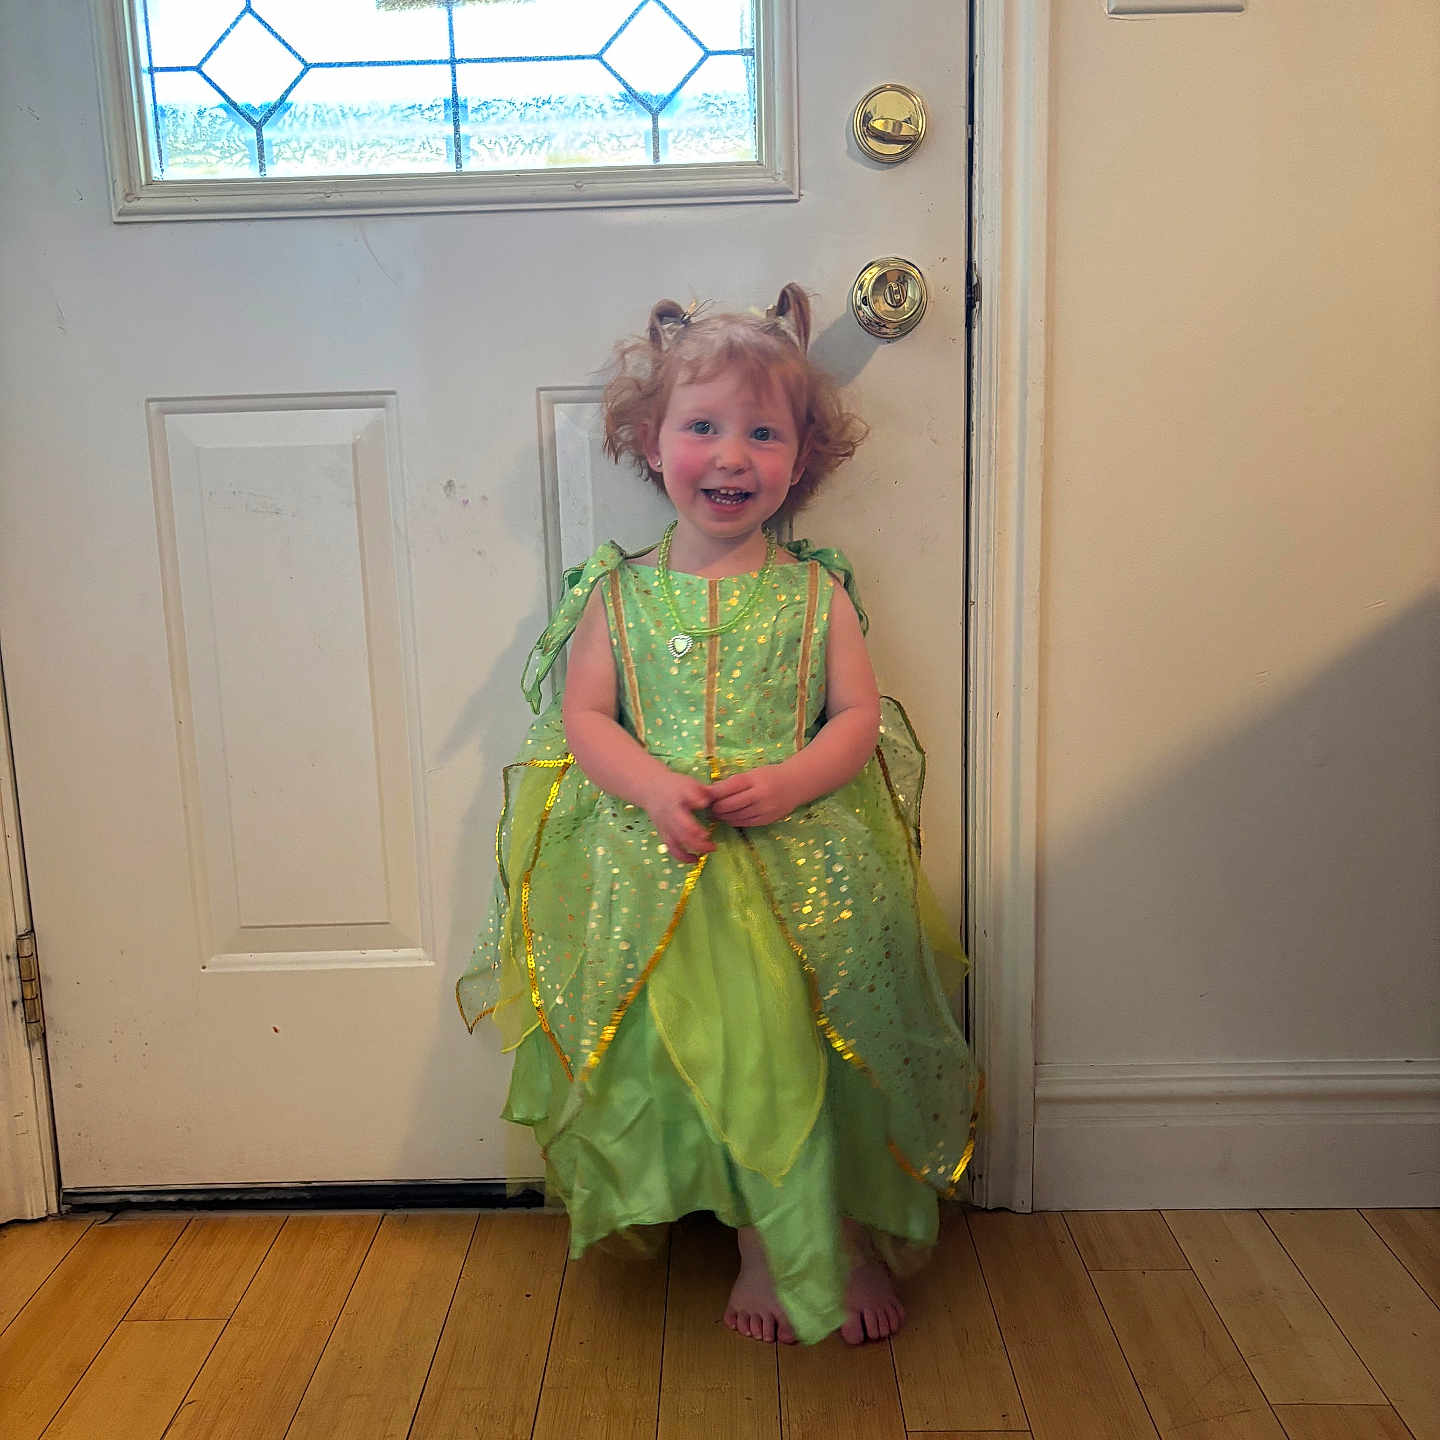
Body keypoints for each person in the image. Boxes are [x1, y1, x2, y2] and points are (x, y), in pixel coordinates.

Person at [458, 283, 982, 1347]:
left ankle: (829, 1229)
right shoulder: (617, 593)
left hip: (804, 860)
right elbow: (586, 720)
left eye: (762, 433)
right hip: (663, 868)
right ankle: (756, 1240)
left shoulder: (814, 592)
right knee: (722, 1053)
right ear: (652, 444)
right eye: (703, 428)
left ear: (803, 459)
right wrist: (653, 785)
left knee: (812, 1041)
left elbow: (858, 718)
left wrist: (790, 781)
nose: (731, 455)